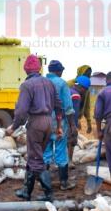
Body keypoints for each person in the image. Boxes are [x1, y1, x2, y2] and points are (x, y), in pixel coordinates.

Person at [6, 54, 63, 201]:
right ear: (38, 68)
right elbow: (58, 105)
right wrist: (59, 126)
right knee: (35, 156)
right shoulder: (49, 83)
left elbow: (21, 111)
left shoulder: (27, 85)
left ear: (26, 70)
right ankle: (27, 191)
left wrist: (14, 126)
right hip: (49, 123)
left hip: (36, 123)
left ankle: (49, 194)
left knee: (36, 159)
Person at [43, 60, 77, 191]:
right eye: (61, 70)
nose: (62, 72)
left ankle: (44, 184)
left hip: (43, 123)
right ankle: (63, 183)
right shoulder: (62, 83)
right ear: (58, 71)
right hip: (58, 122)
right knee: (61, 150)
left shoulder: (41, 82)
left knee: (46, 152)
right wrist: (72, 125)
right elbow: (68, 107)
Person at [68, 74, 90, 166]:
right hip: (71, 122)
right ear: (81, 87)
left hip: (64, 121)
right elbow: (74, 111)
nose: (85, 92)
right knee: (71, 141)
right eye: (85, 90)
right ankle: (69, 161)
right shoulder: (76, 95)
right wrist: (75, 125)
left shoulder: (68, 91)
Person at [67, 65, 92, 133]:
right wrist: (74, 123)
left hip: (75, 117)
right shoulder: (68, 84)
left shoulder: (86, 88)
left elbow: (87, 106)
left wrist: (89, 123)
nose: (88, 77)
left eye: (89, 75)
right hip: (67, 118)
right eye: (86, 74)